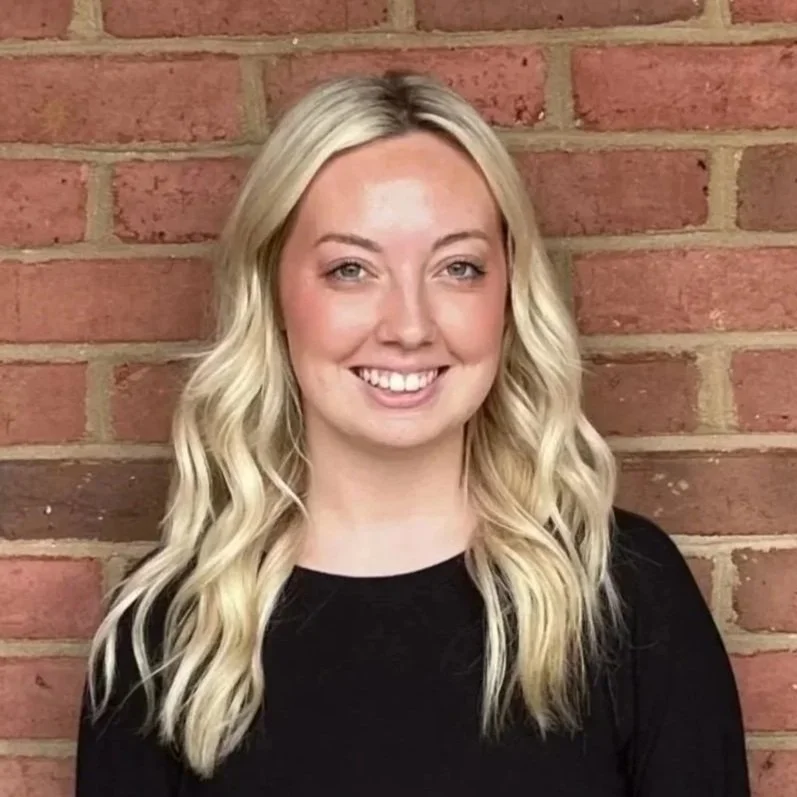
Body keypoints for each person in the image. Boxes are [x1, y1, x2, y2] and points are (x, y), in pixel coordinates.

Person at [74, 70, 750, 796]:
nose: (407, 326)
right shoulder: (166, 633)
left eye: (457, 268)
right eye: (351, 269)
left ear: (508, 296)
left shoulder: (622, 593)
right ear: (272, 291)